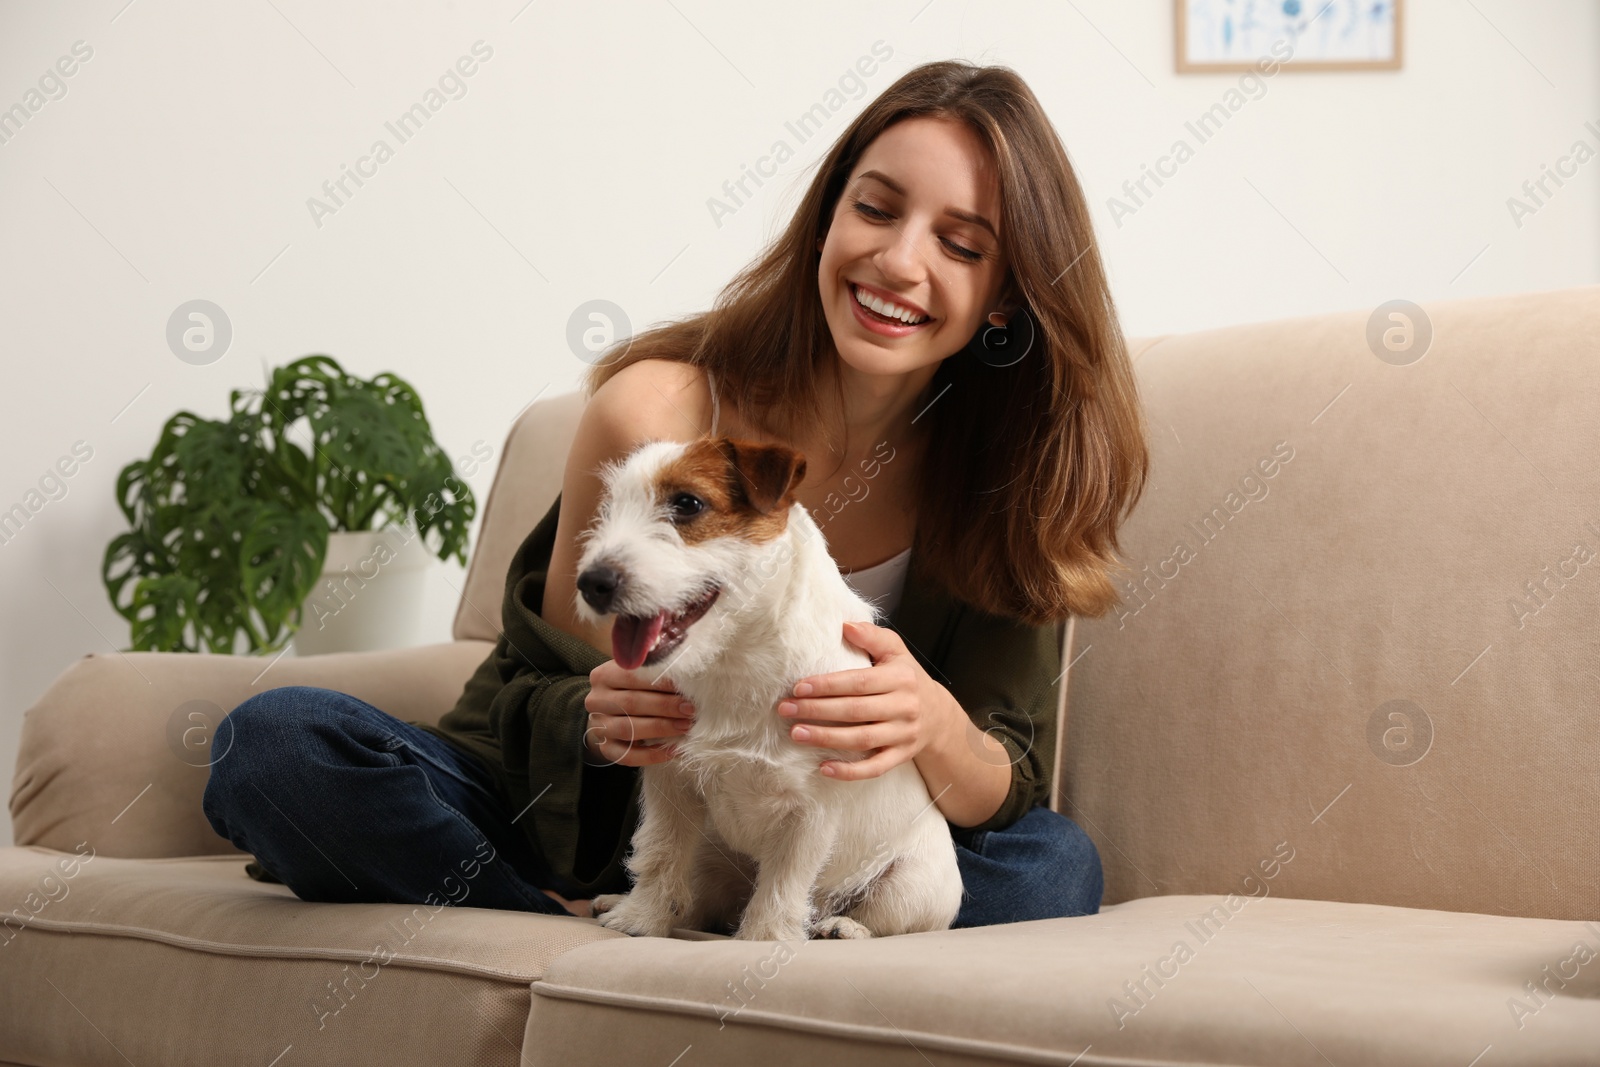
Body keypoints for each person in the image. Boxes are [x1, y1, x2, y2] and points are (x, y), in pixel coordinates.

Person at [203, 59, 1149, 931]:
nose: (901, 262)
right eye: (875, 208)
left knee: (1055, 868)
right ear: (828, 218)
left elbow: (1005, 777)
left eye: (960, 243)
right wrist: (600, 714)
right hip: (590, 819)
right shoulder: (657, 410)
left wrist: (934, 724)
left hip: (814, 840)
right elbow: (541, 661)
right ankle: (556, 911)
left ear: (1006, 298)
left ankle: (717, 921)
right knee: (276, 745)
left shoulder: (1006, 483)